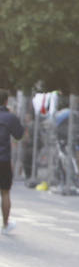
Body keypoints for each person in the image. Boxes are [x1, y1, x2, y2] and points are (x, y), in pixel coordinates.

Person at [0, 89, 25, 235]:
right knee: (5, 192)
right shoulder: (10, 117)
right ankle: (5, 224)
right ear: (6, 101)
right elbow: (19, 135)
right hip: (3, 159)